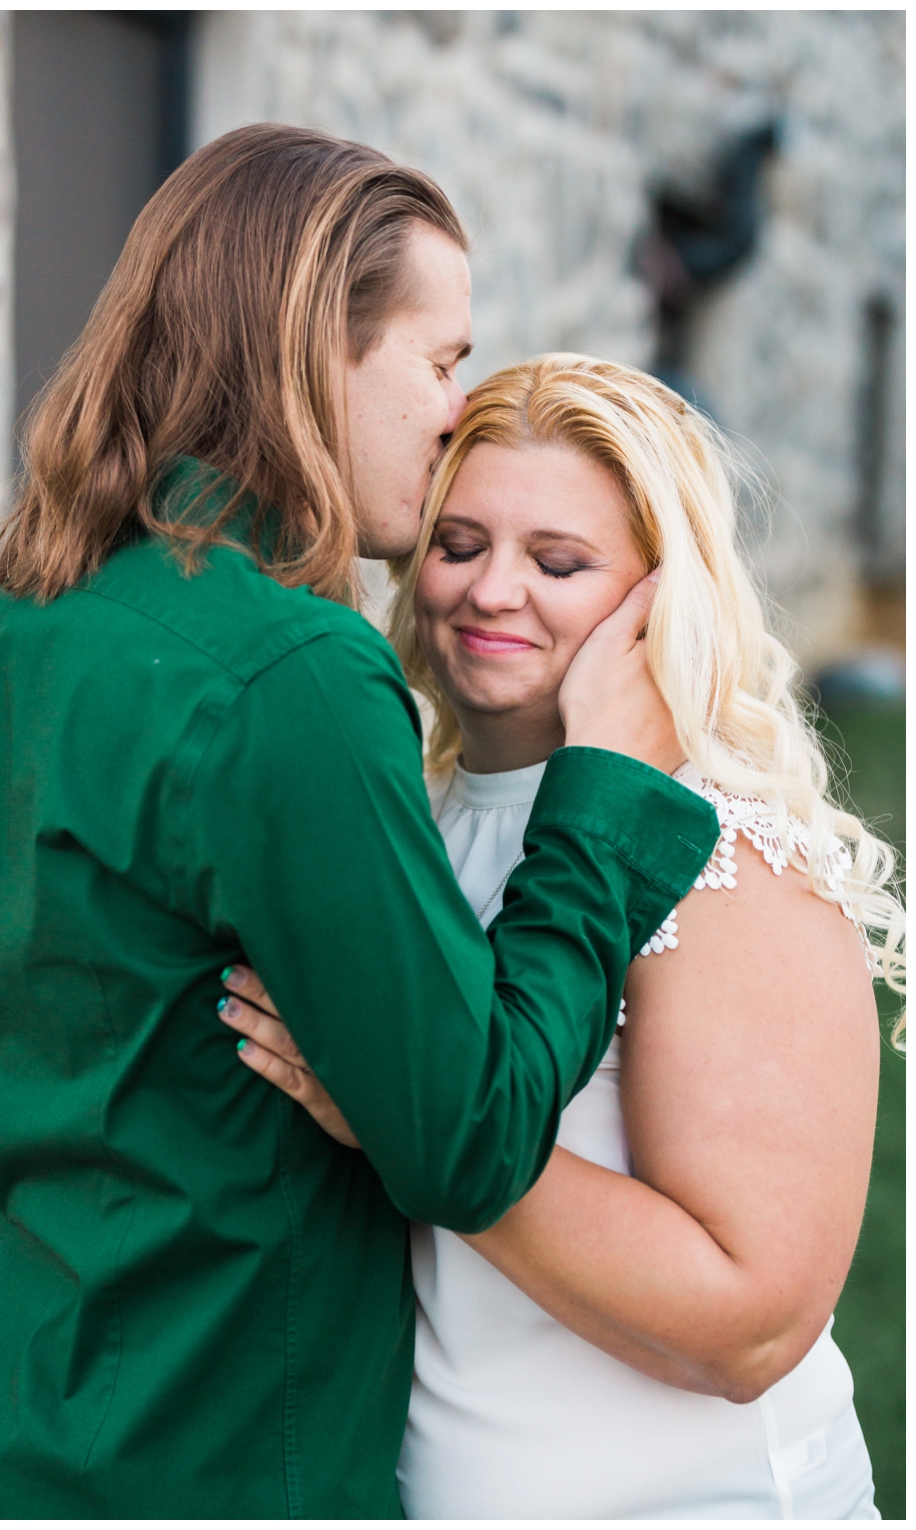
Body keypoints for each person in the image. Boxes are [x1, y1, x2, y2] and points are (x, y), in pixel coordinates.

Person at [0, 123, 723, 1518]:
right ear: (310, 348)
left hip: (7, 1434)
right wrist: (605, 797)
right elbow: (470, 1135)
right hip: (225, 1459)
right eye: (440, 358)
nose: (457, 407)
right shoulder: (295, 668)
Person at [218, 353, 900, 1518]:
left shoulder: (720, 858)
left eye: (558, 562)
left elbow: (751, 1324)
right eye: (459, 544)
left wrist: (409, 1114)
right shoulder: (406, 828)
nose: (490, 592)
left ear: (654, 595)